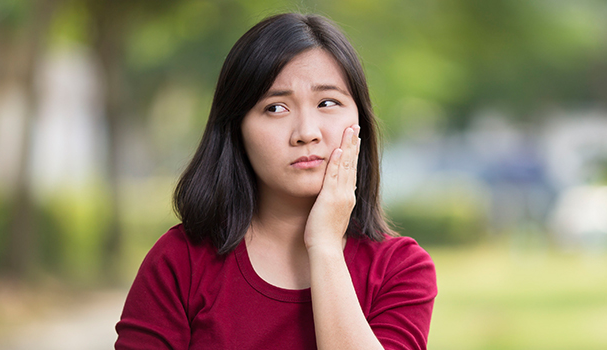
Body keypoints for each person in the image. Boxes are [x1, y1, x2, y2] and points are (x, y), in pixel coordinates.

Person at [115, 13, 437, 350]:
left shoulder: (400, 270)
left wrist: (325, 246)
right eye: (276, 108)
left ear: (361, 122)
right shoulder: (180, 262)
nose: (306, 133)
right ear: (236, 129)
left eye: (328, 103)